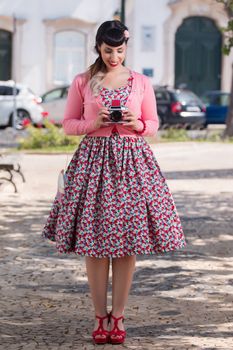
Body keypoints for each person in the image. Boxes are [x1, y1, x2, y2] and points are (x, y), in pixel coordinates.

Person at [42, 20, 186, 345]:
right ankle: (99, 316)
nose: (115, 56)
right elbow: (67, 124)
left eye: (120, 50)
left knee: (128, 241)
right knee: (94, 243)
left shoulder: (141, 82)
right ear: (98, 47)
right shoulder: (83, 81)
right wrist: (92, 122)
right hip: (93, 163)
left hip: (133, 164)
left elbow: (153, 124)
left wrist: (138, 123)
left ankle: (118, 316)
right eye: (109, 50)